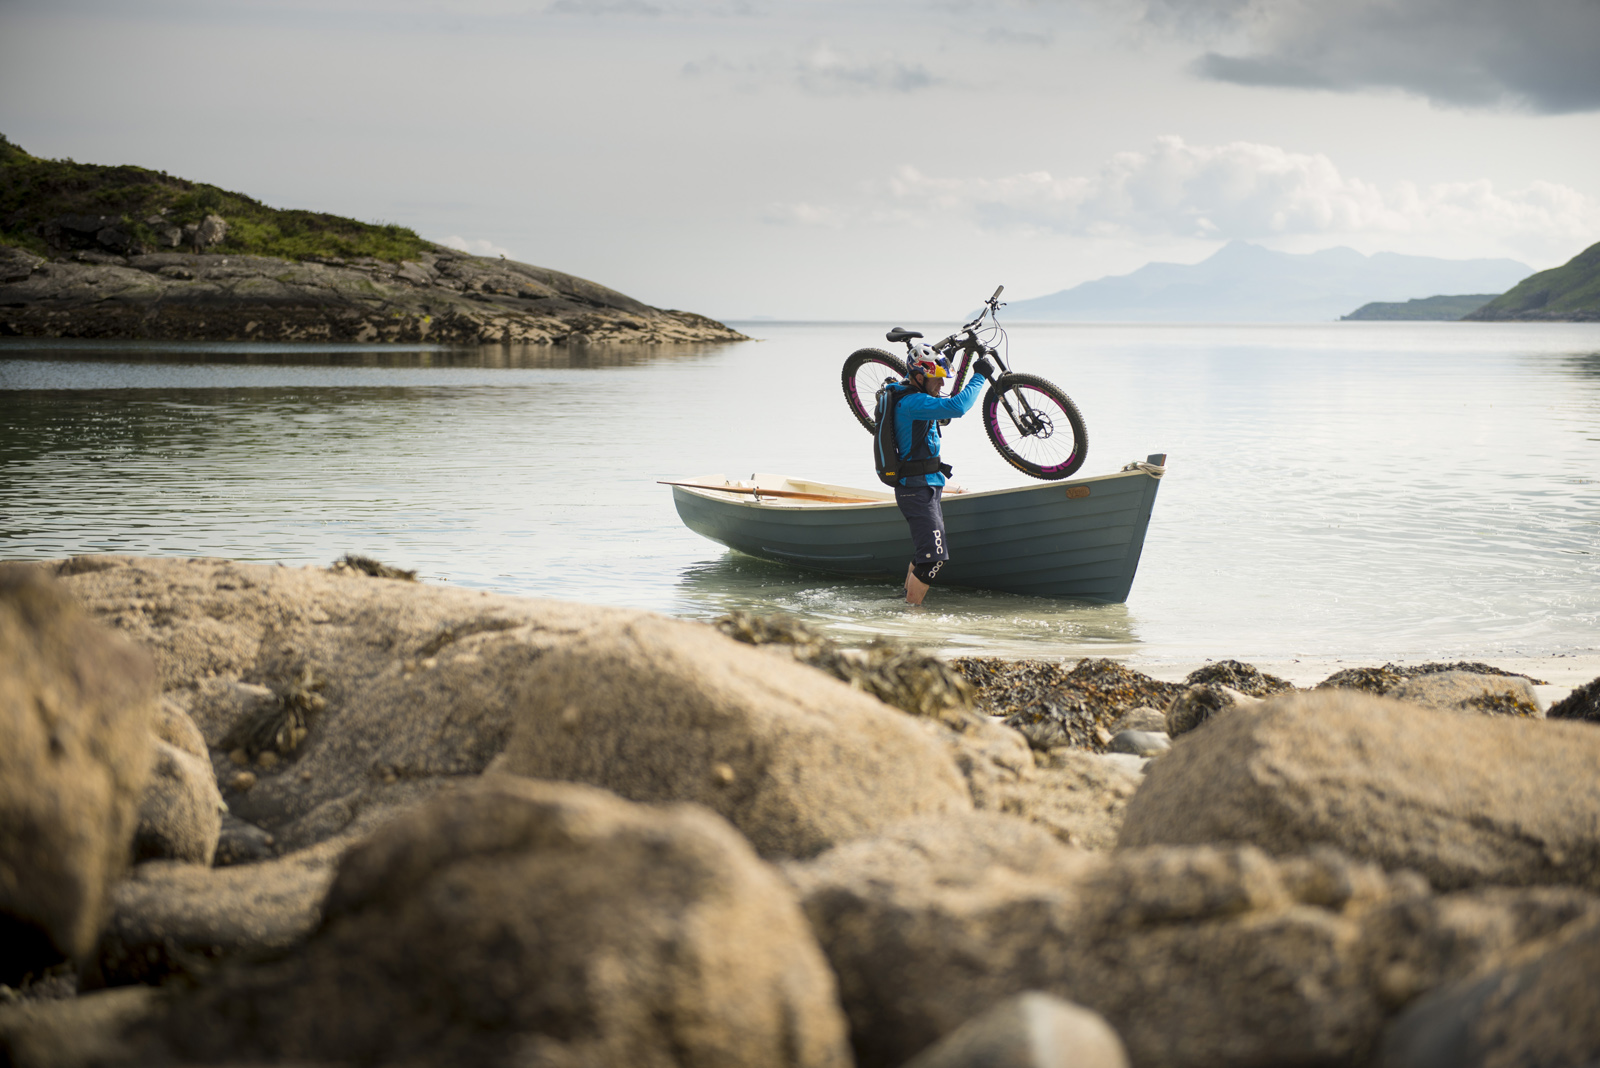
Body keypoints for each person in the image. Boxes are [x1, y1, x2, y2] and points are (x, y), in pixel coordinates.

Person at [889, 345, 996, 604]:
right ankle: (912, 616)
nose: (941, 384)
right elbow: (958, 407)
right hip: (916, 490)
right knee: (934, 558)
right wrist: (979, 376)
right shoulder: (912, 402)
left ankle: (904, 603)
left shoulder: (916, 397)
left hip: (925, 486)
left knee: (925, 554)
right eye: (936, 378)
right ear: (918, 377)